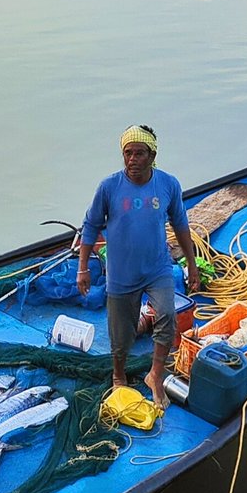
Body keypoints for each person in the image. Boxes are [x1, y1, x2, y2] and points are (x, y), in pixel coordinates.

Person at [77, 124, 201, 408]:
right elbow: (91, 225)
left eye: (139, 154)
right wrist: (82, 268)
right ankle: (118, 376)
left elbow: (181, 225)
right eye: (127, 153)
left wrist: (192, 265)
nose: (132, 160)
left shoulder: (168, 184)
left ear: (152, 154)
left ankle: (155, 375)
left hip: (157, 268)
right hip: (121, 273)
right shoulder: (109, 187)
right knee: (121, 333)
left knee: (167, 317)